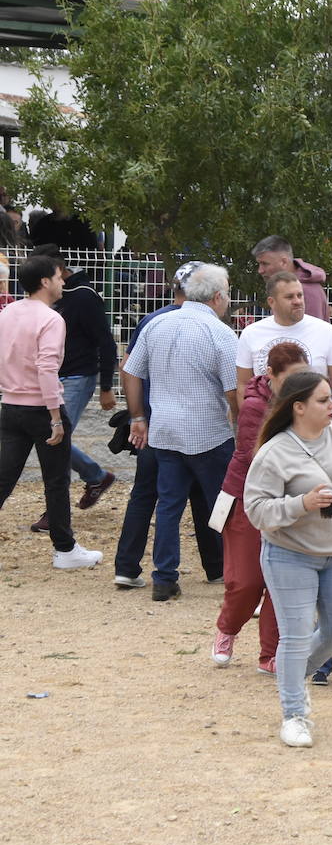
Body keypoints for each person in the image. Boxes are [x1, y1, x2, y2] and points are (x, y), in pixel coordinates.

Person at [244, 371, 332, 748]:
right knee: (295, 635)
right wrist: (300, 504)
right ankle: (294, 714)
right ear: (298, 407)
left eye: (331, 398)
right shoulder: (274, 452)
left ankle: (290, 673)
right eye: (323, 400)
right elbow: (255, 510)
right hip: (290, 555)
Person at [124, 263, 240, 602]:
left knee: (168, 505)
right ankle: (232, 571)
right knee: (224, 505)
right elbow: (234, 392)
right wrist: (240, 426)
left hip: (164, 431)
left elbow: (130, 370)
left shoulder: (157, 323)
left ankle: (164, 577)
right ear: (218, 297)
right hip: (209, 432)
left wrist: (138, 417)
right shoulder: (220, 334)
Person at [210, 342, 307, 675]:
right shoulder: (253, 405)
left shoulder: (309, 402)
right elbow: (256, 456)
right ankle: (227, 627)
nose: (299, 385)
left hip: (291, 501)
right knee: (246, 582)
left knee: (280, 580)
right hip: (246, 498)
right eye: (292, 378)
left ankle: (271, 654)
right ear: (271, 375)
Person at [0, 254, 103, 568]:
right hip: (42, 409)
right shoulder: (51, 319)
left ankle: (67, 547)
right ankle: (65, 549)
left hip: (10, 406)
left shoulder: (8, 312)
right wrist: (55, 416)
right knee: (56, 481)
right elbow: (46, 368)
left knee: (3, 479)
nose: (63, 282)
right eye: (59, 277)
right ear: (45, 282)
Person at [35, 246, 117, 525]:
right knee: (53, 438)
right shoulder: (46, 299)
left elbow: (105, 341)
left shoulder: (83, 297)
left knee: (53, 437)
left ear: (57, 272)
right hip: (53, 377)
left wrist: (107, 385)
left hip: (77, 377)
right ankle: (96, 476)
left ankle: (55, 511)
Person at [235, 270, 332, 422]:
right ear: (272, 302)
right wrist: (251, 424)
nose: (297, 301)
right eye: (289, 297)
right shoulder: (251, 334)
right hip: (268, 427)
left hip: (315, 426)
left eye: (300, 295)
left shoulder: (326, 332)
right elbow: (243, 385)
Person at [253, 234, 329, 322]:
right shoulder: (289, 287)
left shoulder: (307, 291)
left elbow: (311, 333)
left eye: (265, 264)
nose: (260, 270)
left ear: (284, 262)